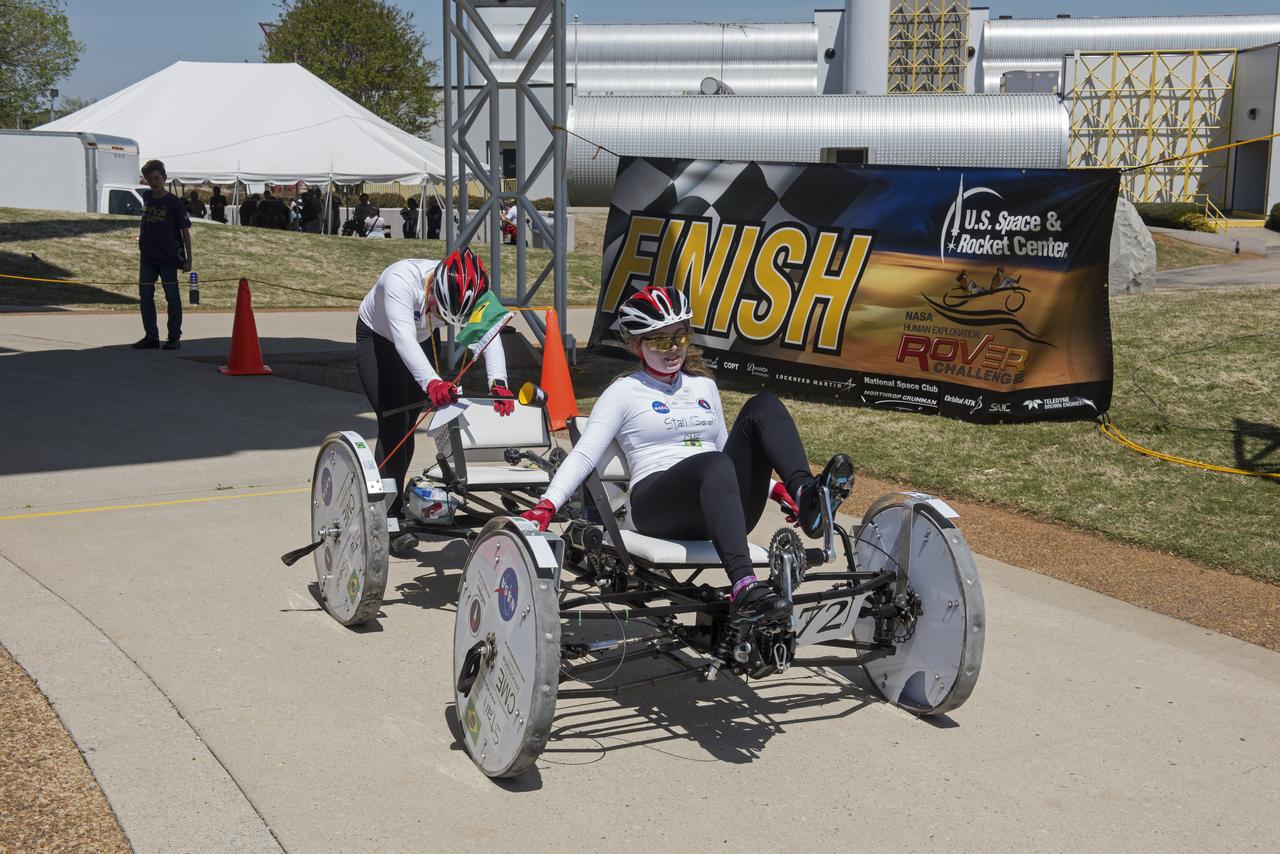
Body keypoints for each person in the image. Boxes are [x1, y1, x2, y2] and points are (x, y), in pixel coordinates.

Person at [520, 285, 853, 626]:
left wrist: (777, 491)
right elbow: (584, 455)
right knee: (713, 463)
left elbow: (729, 452)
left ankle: (805, 494)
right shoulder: (623, 392)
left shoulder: (703, 386)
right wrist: (547, 506)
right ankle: (744, 586)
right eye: (662, 340)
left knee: (762, 406)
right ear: (638, 345)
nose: (675, 348)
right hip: (656, 505)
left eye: (682, 336)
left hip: (717, 503)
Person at [356, 247, 515, 523]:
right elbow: (403, 339)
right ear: (433, 287)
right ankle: (384, 516)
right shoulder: (400, 280)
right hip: (379, 338)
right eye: (437, 308)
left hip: (422, 339)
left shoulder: (474, 289)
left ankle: (393, 499)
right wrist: (432, 382)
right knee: (393, 424)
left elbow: (489, 334)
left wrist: (498, 382)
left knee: (409, 425)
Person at [133, 159, 192, 350]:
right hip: (148, 258)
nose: (153, 182)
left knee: (172, 297)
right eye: (149, 179)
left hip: (167, 258)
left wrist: (189, 259)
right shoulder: (146, 197)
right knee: (145, 296)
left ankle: (174, 336)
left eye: (156, 178)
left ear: (164, 178)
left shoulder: (173, 202)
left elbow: (185, 231)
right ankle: (151, 335)